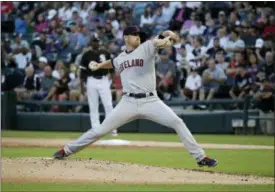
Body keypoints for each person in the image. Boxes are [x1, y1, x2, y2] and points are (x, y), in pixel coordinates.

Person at [53, 26, 218, 167]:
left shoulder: (147, 46)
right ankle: (67, 150)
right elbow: (113, 62)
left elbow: (160, 40)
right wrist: (98, 65)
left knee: (177, 122)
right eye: (135, 35)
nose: (138, 37)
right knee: (100, 130)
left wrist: (170, 35)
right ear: (126, 37)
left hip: (150, 100)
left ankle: (200, 157)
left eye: (139, 35)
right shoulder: (121, 57)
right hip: (128, 102)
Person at [79, 37, 118, 136]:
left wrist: (113, 81)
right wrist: (82, 86)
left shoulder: (105, 52)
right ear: (91, 42)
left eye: (97, 41)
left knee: (108, 105)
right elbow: (82, 71)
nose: (95, 43)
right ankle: (95, 130)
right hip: (91, 80)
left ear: (99, 42)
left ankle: (111, 129)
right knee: (93, 106)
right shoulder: (87, 55)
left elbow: (112, 68)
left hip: (104, 80)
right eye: (94, 41)